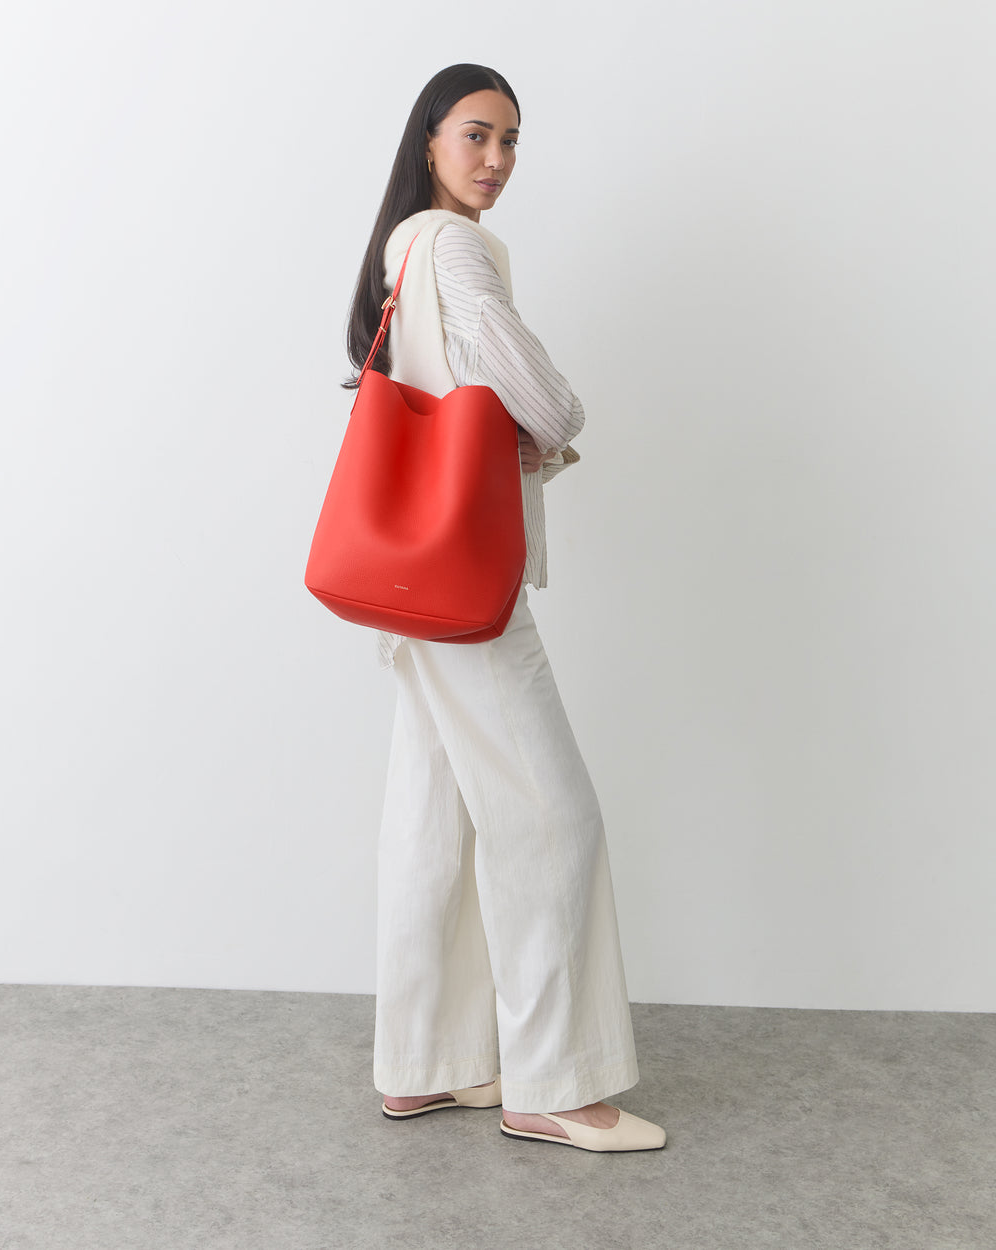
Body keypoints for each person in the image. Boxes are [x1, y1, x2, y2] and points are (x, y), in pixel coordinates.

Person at [344, 64, 666, 1153]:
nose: (496, 161)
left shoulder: (400, 250)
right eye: (477, 135)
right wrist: (558, 418)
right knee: (551, 814)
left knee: (431, 819)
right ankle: (553, 1081)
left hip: (406, 582)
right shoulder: (454, 245)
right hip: (467, 585)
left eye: (513, 143)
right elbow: (525, 381)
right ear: (429, 140)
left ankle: (424, 1063)